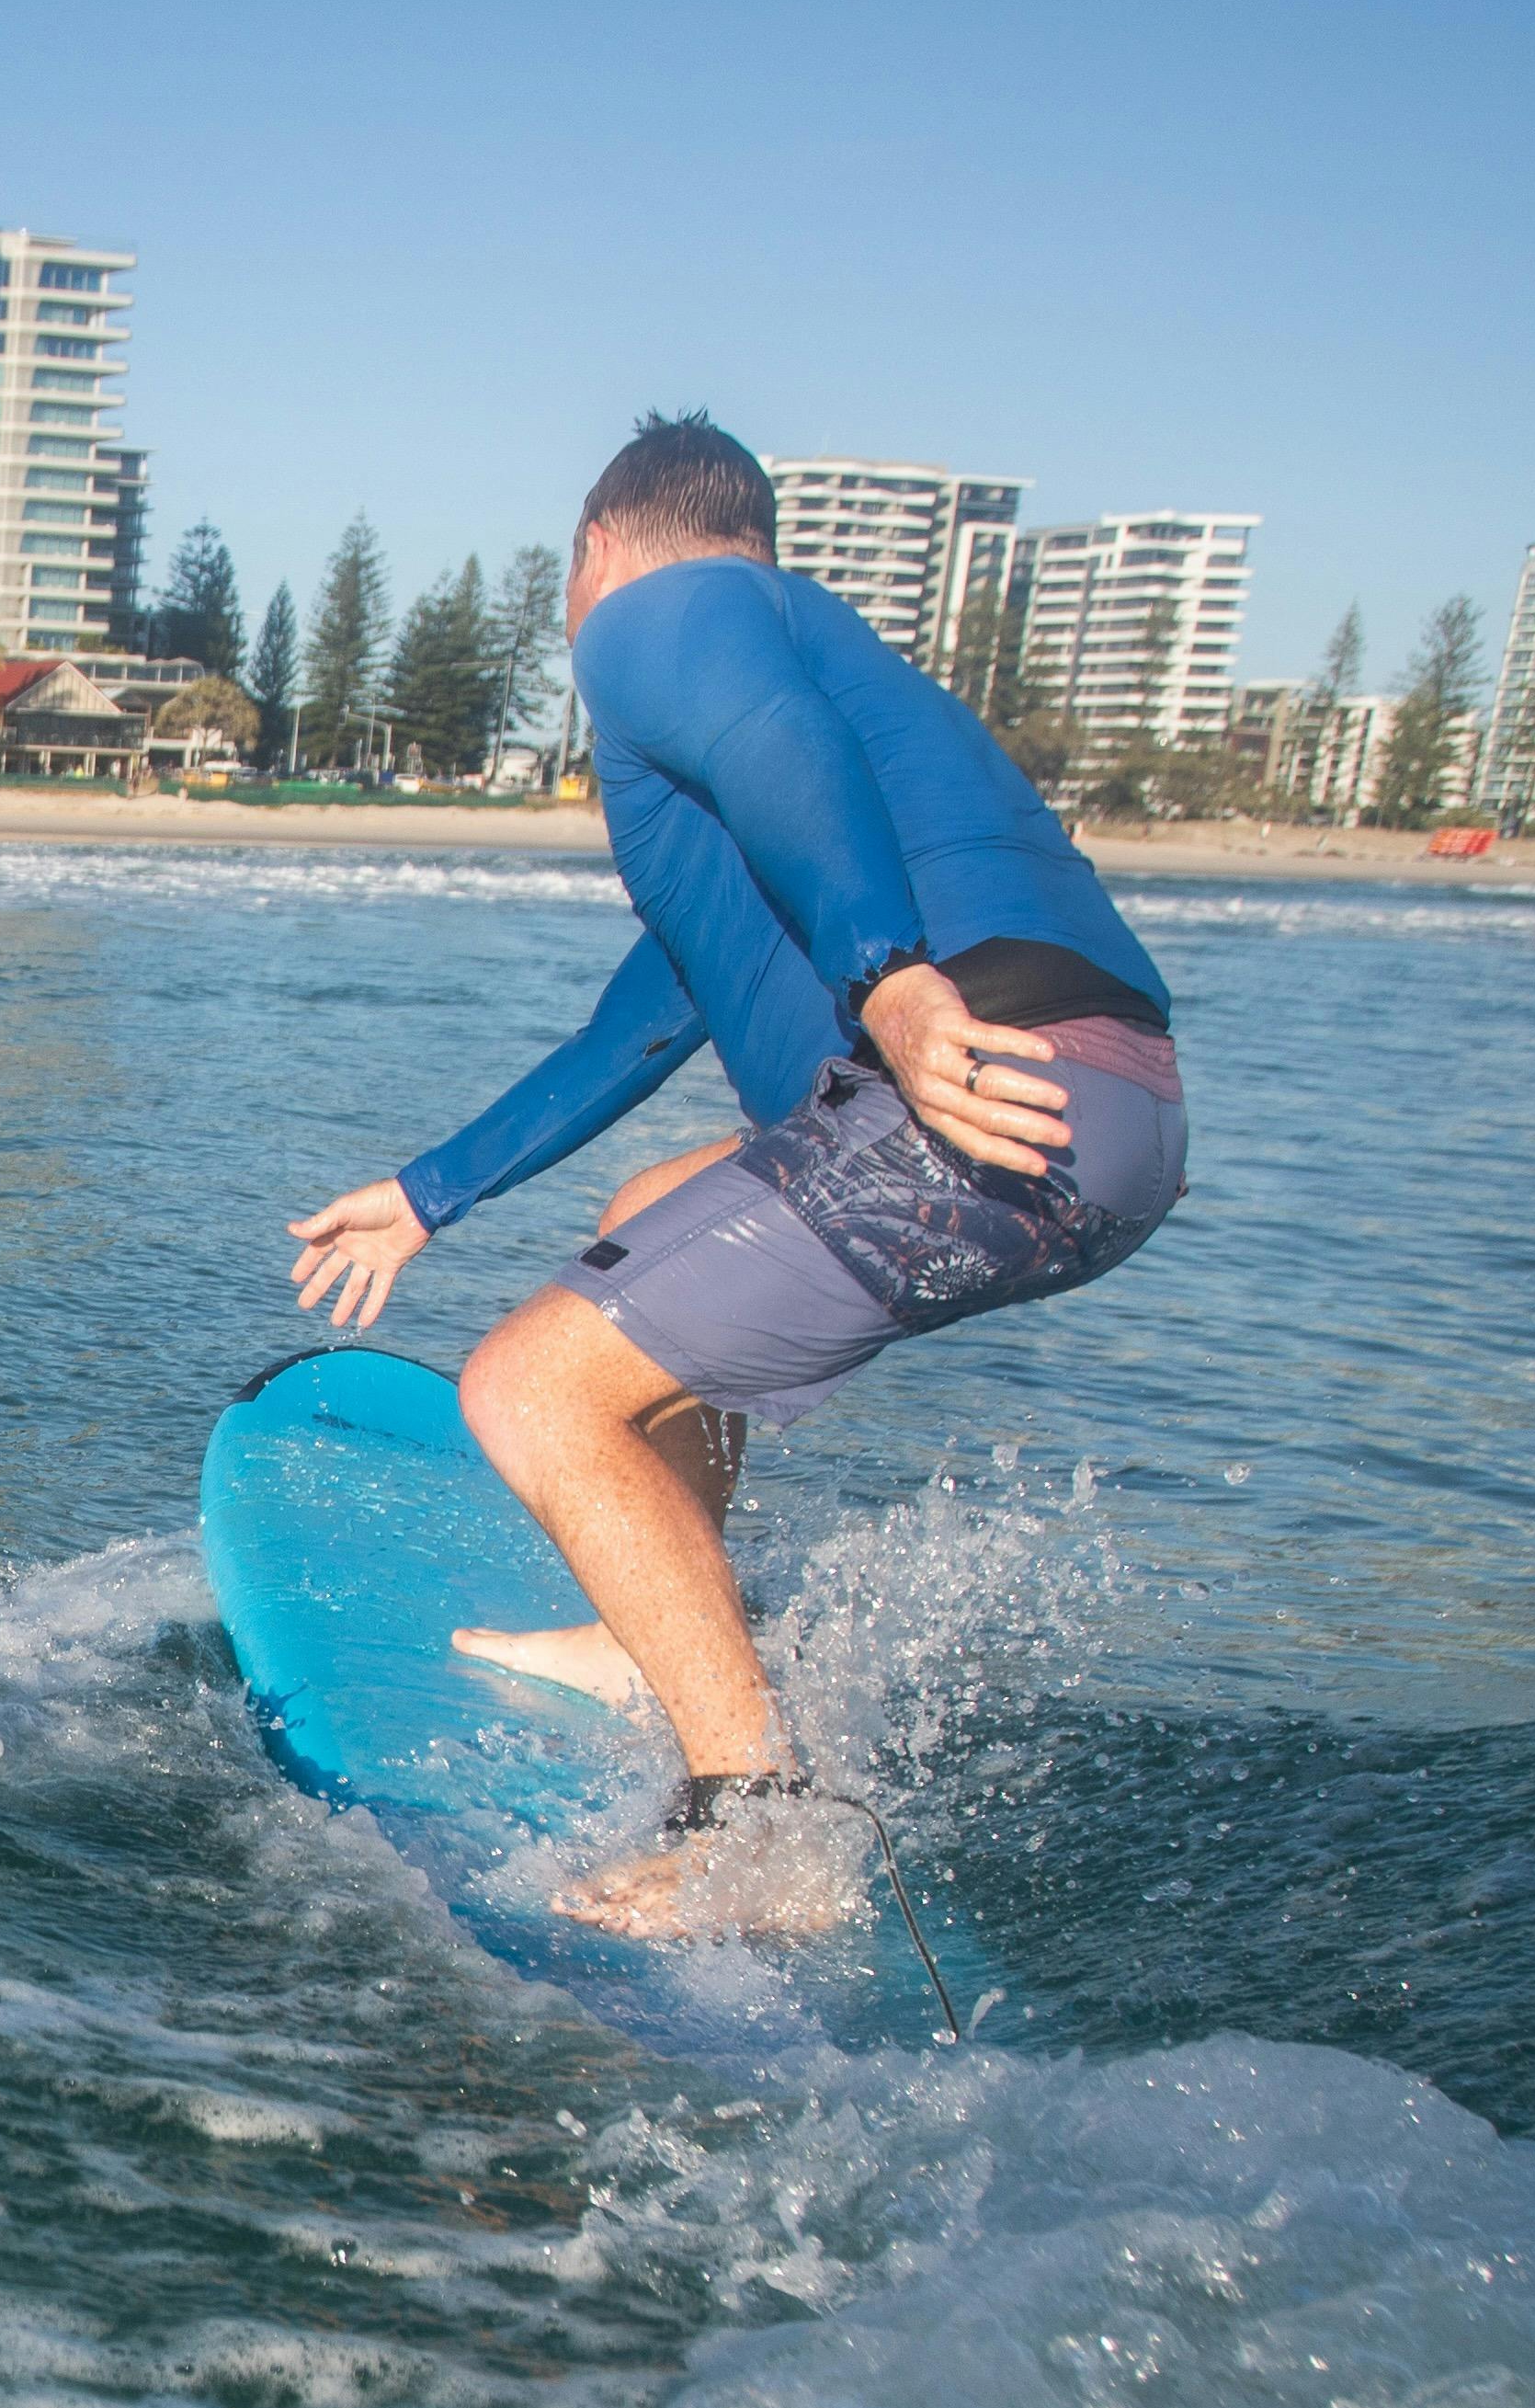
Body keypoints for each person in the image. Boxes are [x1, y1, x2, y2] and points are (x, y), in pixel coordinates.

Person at [285, 415, 1185, 1928]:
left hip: (977, 1078)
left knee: (527, 1389)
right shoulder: (797, 777)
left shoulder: (667, 612)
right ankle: (651, 1636)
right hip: (1106, 1110)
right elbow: (637, 1029)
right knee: (648, 1214)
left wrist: (889, 979)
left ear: (592, 553)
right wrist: (428, 1190)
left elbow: (774, 737)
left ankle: (755, 1832)